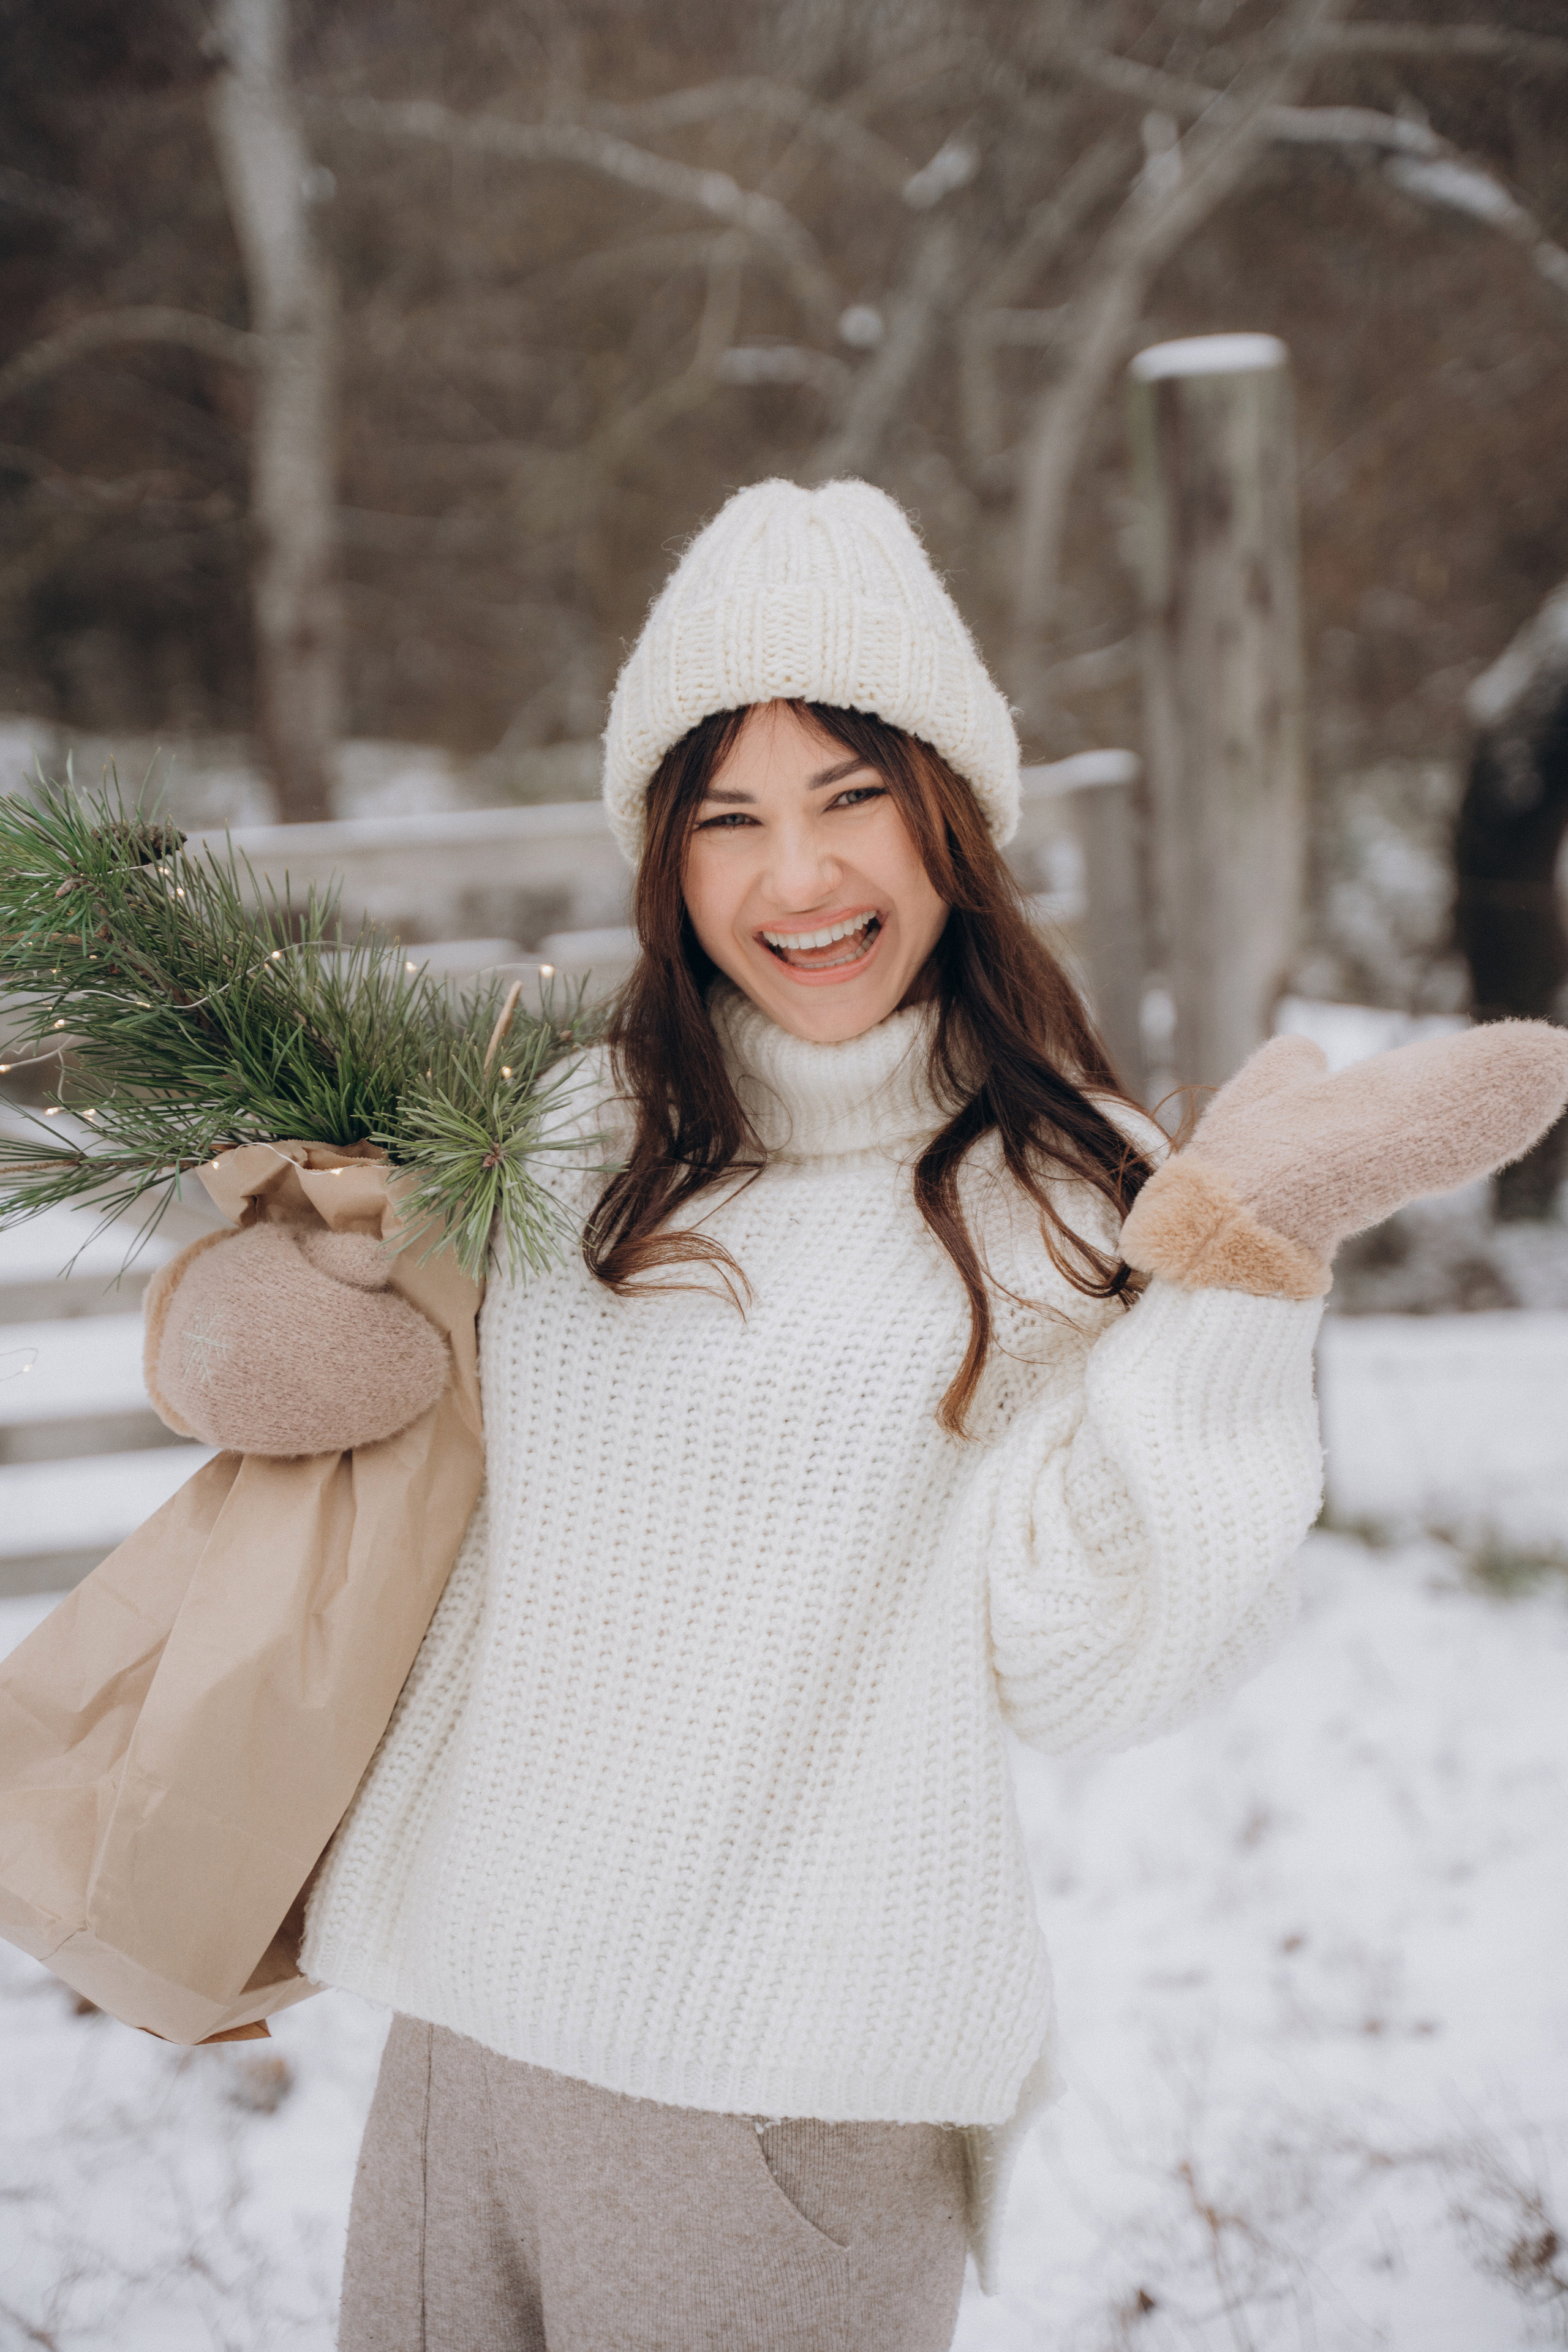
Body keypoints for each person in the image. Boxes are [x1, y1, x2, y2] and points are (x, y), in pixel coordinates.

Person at [165, 480, 1568, 2351]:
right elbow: (355, 1411)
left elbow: (1092, 1664)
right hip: (459, 2043)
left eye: (850, 798)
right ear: (664, 861)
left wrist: (1232, 1272)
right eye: (729, 817)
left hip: (778, 2102)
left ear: (951, 819)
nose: (797, 880)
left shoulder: (1065, 1195)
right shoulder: (573, 1134)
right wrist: (240, 1317)